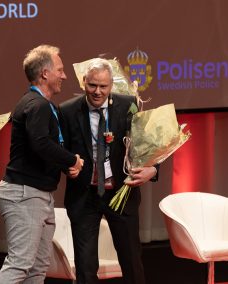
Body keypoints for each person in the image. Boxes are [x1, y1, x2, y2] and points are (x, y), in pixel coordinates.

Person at [59, 58, 158, 284]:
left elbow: (148, 143)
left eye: (103, 86)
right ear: (84, 82)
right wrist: (66, 166)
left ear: (112, 85)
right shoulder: (67, 110)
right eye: (92, 85)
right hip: (84, 197)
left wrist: (153, 169)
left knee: (131, 262)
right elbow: (60, 151)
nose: (97, 92)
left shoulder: (128, 104)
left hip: (121, 195)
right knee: (85, 267)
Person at [0, 44, 84, 284]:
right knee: (20, 264)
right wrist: (72, 160)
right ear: (45, 73)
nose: (64, 76)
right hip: (25, 194)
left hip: (38, 194)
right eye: (60, 70)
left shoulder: (44, 105)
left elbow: (44, 148)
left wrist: (65, 166)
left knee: (37, 267)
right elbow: (40, 143)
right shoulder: (37, 105)